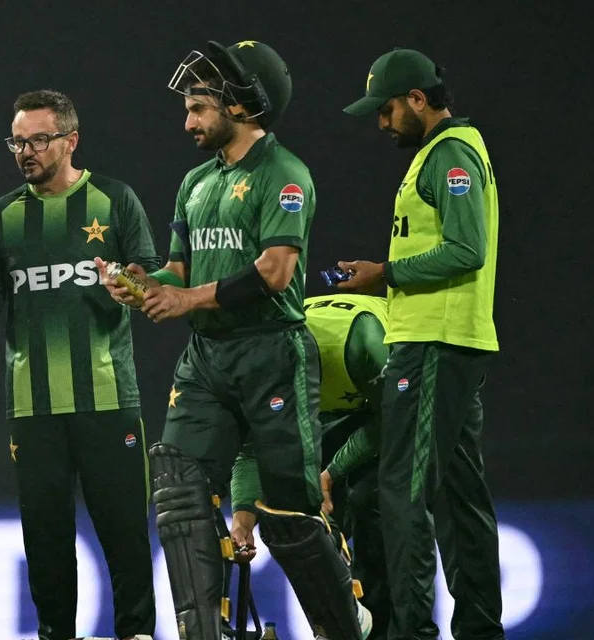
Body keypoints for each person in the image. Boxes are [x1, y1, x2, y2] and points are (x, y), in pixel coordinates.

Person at [102, 40, 371, 640]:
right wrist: (142, 283)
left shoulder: (286, 174)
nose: (188, 121)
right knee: (177, 492)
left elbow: (275, 272)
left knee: (286, 517)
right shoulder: (197, 181)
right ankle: (202, 634)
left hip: (272, 351)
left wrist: (184, 299)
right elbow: (181, 270)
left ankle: (344, 625)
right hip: (207, 358)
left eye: (199, 107)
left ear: (243, 106)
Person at [0, 89, 157, 640]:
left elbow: (153, 279)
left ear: (70, 140)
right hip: (33, 407)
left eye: (38, 139)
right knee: (46, 540)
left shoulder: (115, 200)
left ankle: (137, 634)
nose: (25, 151)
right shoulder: (1, 217)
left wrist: (130, 286)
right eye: (18, 141)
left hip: (108, 399)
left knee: (126, 536)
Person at [338, 48, 505, 640]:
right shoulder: (444, 154)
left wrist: (383, 274)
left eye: (385, 111)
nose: (382, 124)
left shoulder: (450, 153)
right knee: (461, 496)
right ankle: (482, 630)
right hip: (449, 341)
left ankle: (411, 633)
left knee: (402, 491)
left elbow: (467, 249)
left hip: (433, 343)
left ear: (416, 99)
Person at [230, 293, 391, 639]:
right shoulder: (259, 367)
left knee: (368, 500)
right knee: (295, 506)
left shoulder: (363, 341)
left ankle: (385, 628)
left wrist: (332, 472)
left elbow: (394, 420)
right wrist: (243, 519)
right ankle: (338, 619)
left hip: (386, 401)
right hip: (328, 407)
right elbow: (251, 450)